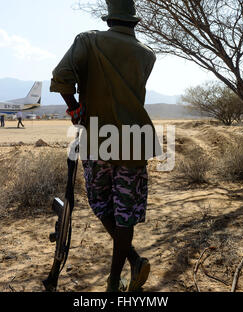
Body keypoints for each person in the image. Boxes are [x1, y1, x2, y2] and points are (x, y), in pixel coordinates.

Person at [50, 0, 158, 292]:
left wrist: (74, 109)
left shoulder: (88, 40)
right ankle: (115, 279)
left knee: (101, 205)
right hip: (135, 139)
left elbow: (61, 78)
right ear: (134, 22)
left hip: (98, 138)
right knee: (126, 211)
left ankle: (134, 262)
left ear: (109, 19)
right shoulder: (148, 55)